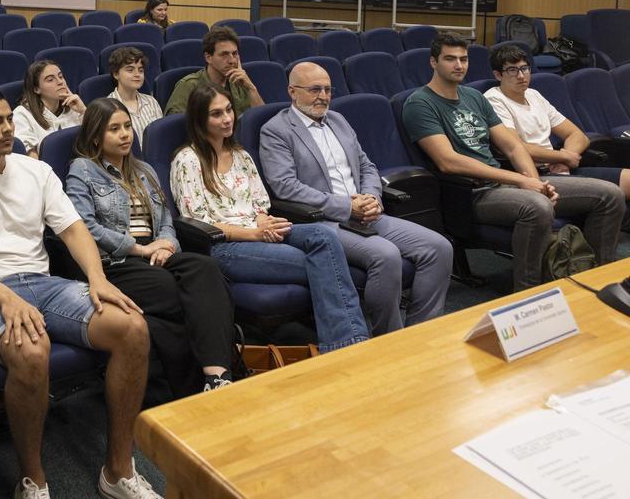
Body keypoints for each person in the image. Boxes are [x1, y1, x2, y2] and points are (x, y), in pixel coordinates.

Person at [0, 88, 160, 499]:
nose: (7, 129)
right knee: (32, 350)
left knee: (132, 328)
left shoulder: (36, 171)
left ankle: (119, 470)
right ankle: (33, 481)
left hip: (43, 282)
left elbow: (74, 230)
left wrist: (97, 277)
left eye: (9, 119)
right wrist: (6, 298)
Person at [402, 33, 624, 291]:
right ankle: (527, 293)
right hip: (470, 193)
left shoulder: (473, 97)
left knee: (610, 195)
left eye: (463, 59)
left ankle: (595, 279)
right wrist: (521, 181)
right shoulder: (420, 103)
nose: (459, 65)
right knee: (537, 206)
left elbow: (512, 145)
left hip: (503, 184)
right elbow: (448, 161)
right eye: (450, 59)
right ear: (433, 62)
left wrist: (535, 182)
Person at [170, 83, 369, 352]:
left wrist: (264, 221)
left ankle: (344, 341)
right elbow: (199, 221)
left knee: (323, 236)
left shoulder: (241, 155)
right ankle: (349, 344)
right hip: (226, 246)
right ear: (199, 119)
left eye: (229, 110)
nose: (227, 118)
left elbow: (260, 203)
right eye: (216, 114)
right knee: (323, 262)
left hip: (261, 231)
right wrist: (254, 233)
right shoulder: (187, 160)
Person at [258, 62, 451, 334]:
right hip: (323, 221)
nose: (323, 96)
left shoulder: (338, 120)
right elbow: (286, 187)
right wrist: (347, 206)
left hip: (366, 213)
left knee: (439, 248)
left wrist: (372, 198)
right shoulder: (276, 130)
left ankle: (421, 332)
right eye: (315, 90)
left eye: (328, 90)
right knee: (386, 255)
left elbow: (367, 166)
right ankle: (390, 338)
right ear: (292, 91)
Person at [66, 98, 238, 397]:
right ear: (95, 136)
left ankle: (216, 375)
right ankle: (204, 379)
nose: (125, 134)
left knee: (205, 268)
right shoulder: (83, 169)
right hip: (115, 260)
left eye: (127, 126)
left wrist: (166, 245)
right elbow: (85, 227)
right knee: (178, 290)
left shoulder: (144, 169)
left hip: (154, 252)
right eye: (114, 129)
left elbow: (166, 220)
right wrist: (140, 249)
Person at [484, 44, 630, 200]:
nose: (521, 76)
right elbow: (517, 147)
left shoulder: (533, 95)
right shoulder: (494, 100)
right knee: (612, 192)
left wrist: (565, 160)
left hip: (559, 167)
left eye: (524, 68)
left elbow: (577, 135)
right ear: (498, 75)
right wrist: (560, 157)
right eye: (512, 70)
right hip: (534, 175)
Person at [164, 27, 262, 117]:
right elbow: (174, 125)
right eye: (224, 54)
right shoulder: (189, 85)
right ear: (208, 58)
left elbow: (260, 119)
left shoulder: (239, 81)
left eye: (235, 54)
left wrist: (251, 88)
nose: (232, 60)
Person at [12, 59, 85, 157]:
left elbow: (96, 143)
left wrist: (83, 111)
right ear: (36, 89)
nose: (60, 82)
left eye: (60, 76)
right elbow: (30, 158)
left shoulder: (74, 107)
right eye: (50, 80)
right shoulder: (22, 114)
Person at [106, 47, 162, 143]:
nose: (137, 74)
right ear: (116, 74)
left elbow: (161, 135)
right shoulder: (107, 107)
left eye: (140, 70)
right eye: (130, 70)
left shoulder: (151, 101)